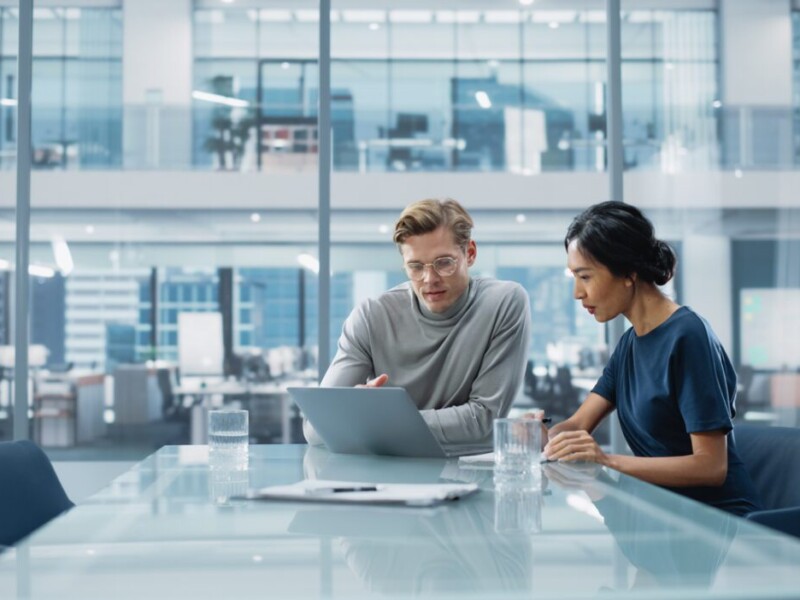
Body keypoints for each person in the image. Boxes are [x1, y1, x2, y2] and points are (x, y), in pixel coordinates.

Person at [540, 201, 760, 516]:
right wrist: (544, 437)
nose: (577, 293)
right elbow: (578, 424)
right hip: (662, 511)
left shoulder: (688, 337)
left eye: (585, 277)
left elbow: (711, 467)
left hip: (718, 520)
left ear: (628, 273)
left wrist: (606, 460)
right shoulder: (630, 344)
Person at [304, 198, 531, 447]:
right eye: (415, 267)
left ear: (470, 253)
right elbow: (316, 427)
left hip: (469, 472)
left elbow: (483, 420)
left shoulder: (504, 302)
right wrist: (359, 414)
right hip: (386, 477)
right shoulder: (371, 316)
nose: (429, 279)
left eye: (444, 263)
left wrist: (371, 422)